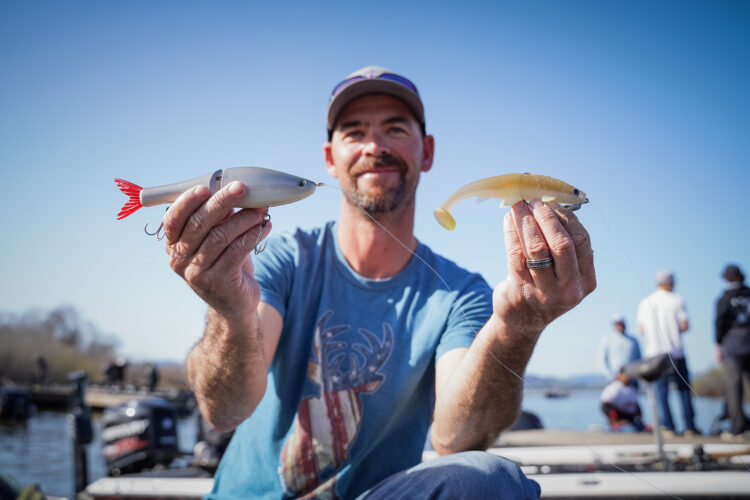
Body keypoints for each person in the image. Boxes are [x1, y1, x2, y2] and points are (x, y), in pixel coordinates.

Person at [163, 65, 596, 499]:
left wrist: (515, 328)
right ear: (330, 158)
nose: (374, 146)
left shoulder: (460, 295)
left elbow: (455, 440)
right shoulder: (284, 259)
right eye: (354, 132)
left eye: (395, 129)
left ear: (427, 151)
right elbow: (225, 411)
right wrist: (232, 314)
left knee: (490, 479)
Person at [636, 270, 699, 436]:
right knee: (683, 390)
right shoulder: (677, 300)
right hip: (675, 351)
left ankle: (668, 427)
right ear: (670, 282)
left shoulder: (644, 302)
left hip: (654, 355)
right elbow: (685, 325)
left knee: (661, 392)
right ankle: (690, 427)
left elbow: (641, 330)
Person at [714, 264, 750, 440]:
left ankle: (737, 428)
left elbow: (720, 323)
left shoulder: (725, 298)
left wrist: (717, 346)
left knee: (734, 388)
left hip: (733, 345)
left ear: (726, 278)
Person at [596, 314, 641, 381]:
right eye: (617, 324)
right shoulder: (606, 340)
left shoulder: (633, 340)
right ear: (614, 325)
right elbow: (602, 362)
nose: (620, 326)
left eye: (621, 323)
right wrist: (613, 376)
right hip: (614, 380)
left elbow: (639, 360)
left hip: (632, 380)